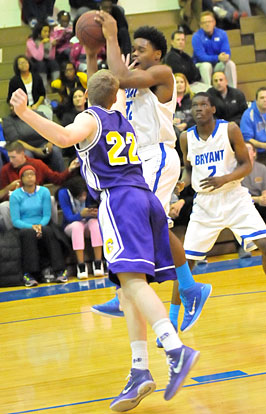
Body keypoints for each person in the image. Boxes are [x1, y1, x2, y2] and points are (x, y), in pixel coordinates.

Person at [11, 70, 200, 411]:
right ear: (117, 98)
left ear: (87, 95)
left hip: (120, 200)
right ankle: (140, 370)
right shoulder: (123, 120)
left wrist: (25, 113)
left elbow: (65, 136)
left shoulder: (90, 118)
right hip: (145, 198)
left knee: (133, 284)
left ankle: (175, 349)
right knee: (127, 290)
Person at [87, 14, 211, 336]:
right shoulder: (127, 80)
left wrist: (112, 38)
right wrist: (90, 54)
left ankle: (164, 289)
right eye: (135, 49)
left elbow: (121, 78)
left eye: (142, 50)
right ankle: (170, 288)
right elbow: (99, 95)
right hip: (135, 159)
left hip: (156, 154)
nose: (137, 54)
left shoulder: (162, 73)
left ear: (157, 54)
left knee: (144, 222)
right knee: (149, 223)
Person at [179, 92, 266, 271]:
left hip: (234, 196)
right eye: (195, 105)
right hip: (205, 203)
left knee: (265, 243)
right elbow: (189, 169)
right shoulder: (185, 137)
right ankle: (177, 300)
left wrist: (224, 179)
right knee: (186, 260)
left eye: (203, 104)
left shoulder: (229, 129)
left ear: (213, 109)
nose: (198, 108)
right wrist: (181, 183)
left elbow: (246, 165)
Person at [9, 164, 67, 287]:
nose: (30, 177)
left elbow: (47, 214)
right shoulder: (15, 195)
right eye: (27, 175)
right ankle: (29, 274)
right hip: (24, 226)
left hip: (42, 223)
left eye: (32, 174)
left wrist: (39, 226)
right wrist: (32, 227)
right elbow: (16, 220)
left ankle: (60, 270)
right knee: (28, 233)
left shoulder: (44, 192)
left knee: (49, 231)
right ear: (21, 179)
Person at [57, 175, 104, 279]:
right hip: (71, 225)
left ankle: (98, 263)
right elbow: (68, 217)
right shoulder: (63, 193)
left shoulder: (89, 190)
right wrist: (81, 215)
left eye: (85, 194)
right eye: (81, 195)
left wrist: (95, 213)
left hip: (86, 223)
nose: (84, 197)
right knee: (77, 226)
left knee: (95, 223)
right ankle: (81, 265)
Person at [2, 104, 65, 172]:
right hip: (24, 147)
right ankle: (32, 180)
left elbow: (51, 130)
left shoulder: (38, 114)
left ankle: (61, 177)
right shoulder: (8, 120)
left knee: (55, 150)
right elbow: (15, 141)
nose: (11, 108)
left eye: (13, 105)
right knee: (26, 155)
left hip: (43, 144)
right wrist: (35, 150)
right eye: (10, 106)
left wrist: (50, 143)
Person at [192, 11, 237, 88]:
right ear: (201, 25)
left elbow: (226, 51)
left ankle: (232, 90)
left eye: (209, 21)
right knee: (206, 66)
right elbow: (201, 57)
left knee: (230, 64)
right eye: (204, 22)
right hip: (201, 65)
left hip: (217, 65)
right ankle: (208, 91)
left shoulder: (222, 34)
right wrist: (218, 57)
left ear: (214, 22)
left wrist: (226, 56)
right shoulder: (196, 37)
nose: (207, 24)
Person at [7, 55, 53, 120]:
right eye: (21, 63)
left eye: (25, 62)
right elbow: (10, 99)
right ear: (17, 66)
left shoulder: (37, 77)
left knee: (47, 112)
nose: (24, 64)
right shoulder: (14, 81)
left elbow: (42, 94)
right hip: (22, 108)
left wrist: (36, 105)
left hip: (37, 105)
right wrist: (23, 107)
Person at [26, 22, 60, 89]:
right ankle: (43, 86)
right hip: (34, 63)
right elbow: (38, 57)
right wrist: (41, 44)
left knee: (54, 63)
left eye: (48, 31)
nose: (47, 34)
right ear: (39, 32)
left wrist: (52, 46)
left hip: (46, 60)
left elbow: (51, 57)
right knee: (41, 64)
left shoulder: (50, 39)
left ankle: (56, 85)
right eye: (45, 31)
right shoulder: (30, 42)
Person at [240, 87, 266, 165]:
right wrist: (263, 145)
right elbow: (247, 139)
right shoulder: (248, 115)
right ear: (256, 100)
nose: (265, 100)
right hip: (258, 153)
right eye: (262, 98)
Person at [173, 73, 195, 164]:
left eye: (182, 82)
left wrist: (186, 124)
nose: (179, 84)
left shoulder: (193, 99)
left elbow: (199, 117)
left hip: (191, 129)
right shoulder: (167, 100)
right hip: (174, 132)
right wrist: (171, 121)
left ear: (186, 84)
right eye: (177, 82)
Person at [242, 142, 266, 222]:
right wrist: (257, 200)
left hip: (259, 201)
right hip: (244, 202)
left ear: (254, 153)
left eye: (248, 149)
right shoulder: (235, 170)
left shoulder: (262, 168)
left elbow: (264, 191)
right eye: (243, 149)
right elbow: (238, 197)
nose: (245, 151)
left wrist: (263, 198)